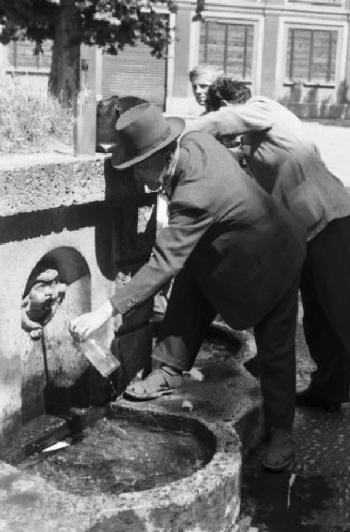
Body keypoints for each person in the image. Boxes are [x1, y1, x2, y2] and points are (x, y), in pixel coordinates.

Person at [70, 102, 306, 470]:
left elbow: (163, 261)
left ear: (162, 155)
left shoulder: (195, 195)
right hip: (225, 246)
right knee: (190, 280)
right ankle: (168, 368)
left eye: (136, 169)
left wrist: (104, 310)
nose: (135, 180)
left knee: (275, 350)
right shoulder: (193, 141)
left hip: (274, 257)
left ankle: (282, 433)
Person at [184, 76, 350, 429]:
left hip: (330, 220)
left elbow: (220, 122)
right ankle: (329, 390)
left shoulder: (263, 108)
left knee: (348, 307)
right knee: (319, 314)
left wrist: (181, 137)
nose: (231, 137)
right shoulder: (257, 142)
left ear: (227, 106)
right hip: (313, 231)